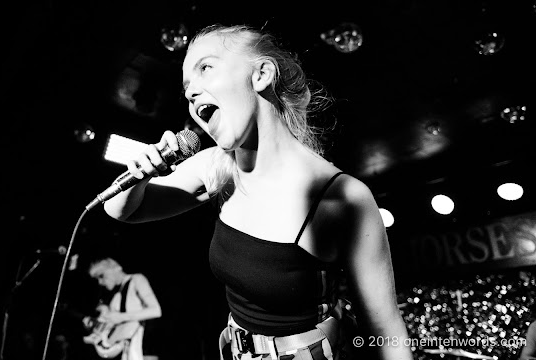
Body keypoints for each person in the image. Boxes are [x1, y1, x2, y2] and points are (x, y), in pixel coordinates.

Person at [102, 23, 413, 360]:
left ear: (262, 74)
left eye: (205, 67)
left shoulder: (342, 198)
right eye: (187, 87)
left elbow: (385, 330)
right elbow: (121, 210)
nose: (191, 93)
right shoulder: (217, 166)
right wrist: (140, 175)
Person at [82, 257, 161, 360]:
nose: (100, 282)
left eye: (102, 276)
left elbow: (156, 310)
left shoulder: (136, 279)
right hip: (129, 350)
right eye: (98, 278)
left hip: (145, 349)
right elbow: (117, 326)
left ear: (116, 268)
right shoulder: (117, 296)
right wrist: (98, 332)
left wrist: (121, 317)